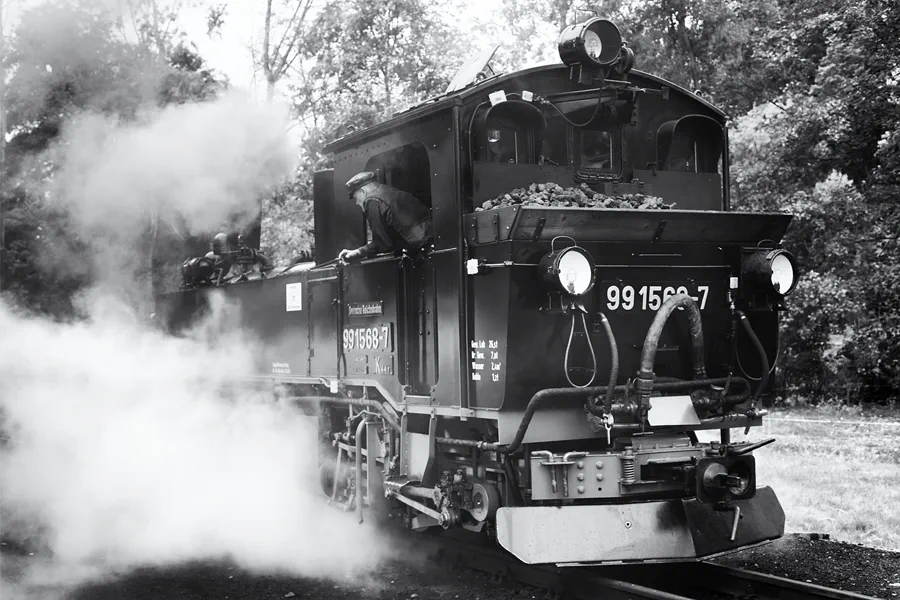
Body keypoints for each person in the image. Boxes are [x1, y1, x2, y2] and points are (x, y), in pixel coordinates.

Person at [337, 172, 433, 264]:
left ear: (363, 192)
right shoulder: (388, 191)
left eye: (356, 198)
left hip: (424, 251)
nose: (357, 203)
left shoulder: (371, 201)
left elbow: (383, 244)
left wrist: (358, 252)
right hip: (432, 241)